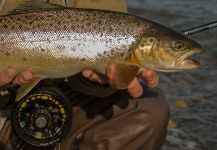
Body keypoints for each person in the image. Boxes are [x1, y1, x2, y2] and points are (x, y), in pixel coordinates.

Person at [0, 1, 169, 150]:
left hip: (52, 109)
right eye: (176, 47)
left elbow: (85, 69)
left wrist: (101, 80)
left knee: (148, 107)